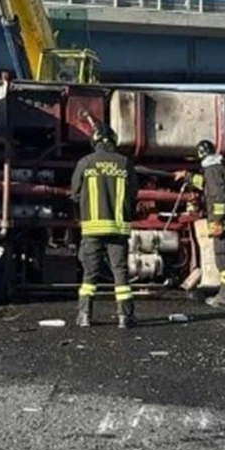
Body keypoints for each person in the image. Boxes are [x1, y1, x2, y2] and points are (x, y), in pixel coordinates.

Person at [71, 123, 140, 328]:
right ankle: (125, 317)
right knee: (120, 272)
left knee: (90, 274)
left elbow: (75, 193)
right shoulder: (125, 163)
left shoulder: (85, 162)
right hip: (118, 229)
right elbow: (134, 193)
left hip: (92, 229)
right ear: (114, 140)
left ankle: (84, 316)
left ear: (94, 141)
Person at [176, 140, 225, 307]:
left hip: (223, 222)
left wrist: (216, 221)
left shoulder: (211, 170)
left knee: (222, 257)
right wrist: (188, 177)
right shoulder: (220, 167)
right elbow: (207, 184)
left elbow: (218, 197)